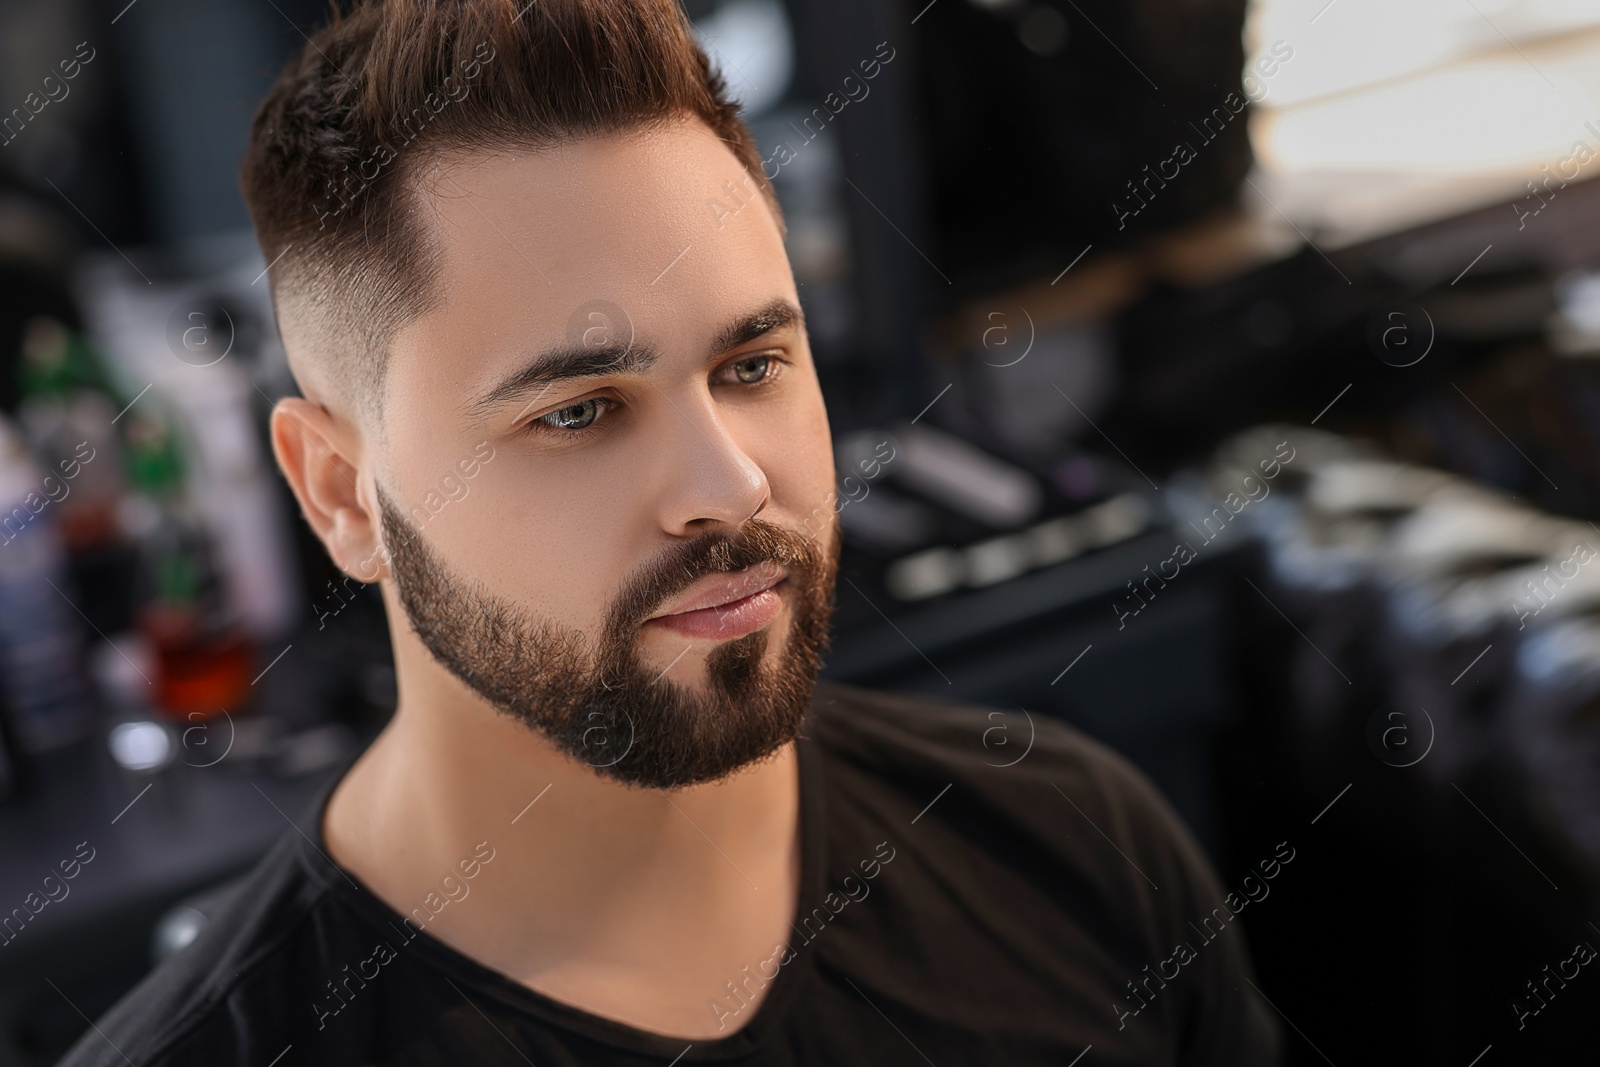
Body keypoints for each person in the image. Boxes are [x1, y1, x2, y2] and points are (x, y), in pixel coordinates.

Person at [59, 0, 1282, 1062]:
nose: (730, 481)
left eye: (752, 363)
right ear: (337, 490)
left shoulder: (1078, 850)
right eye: (581, 409)